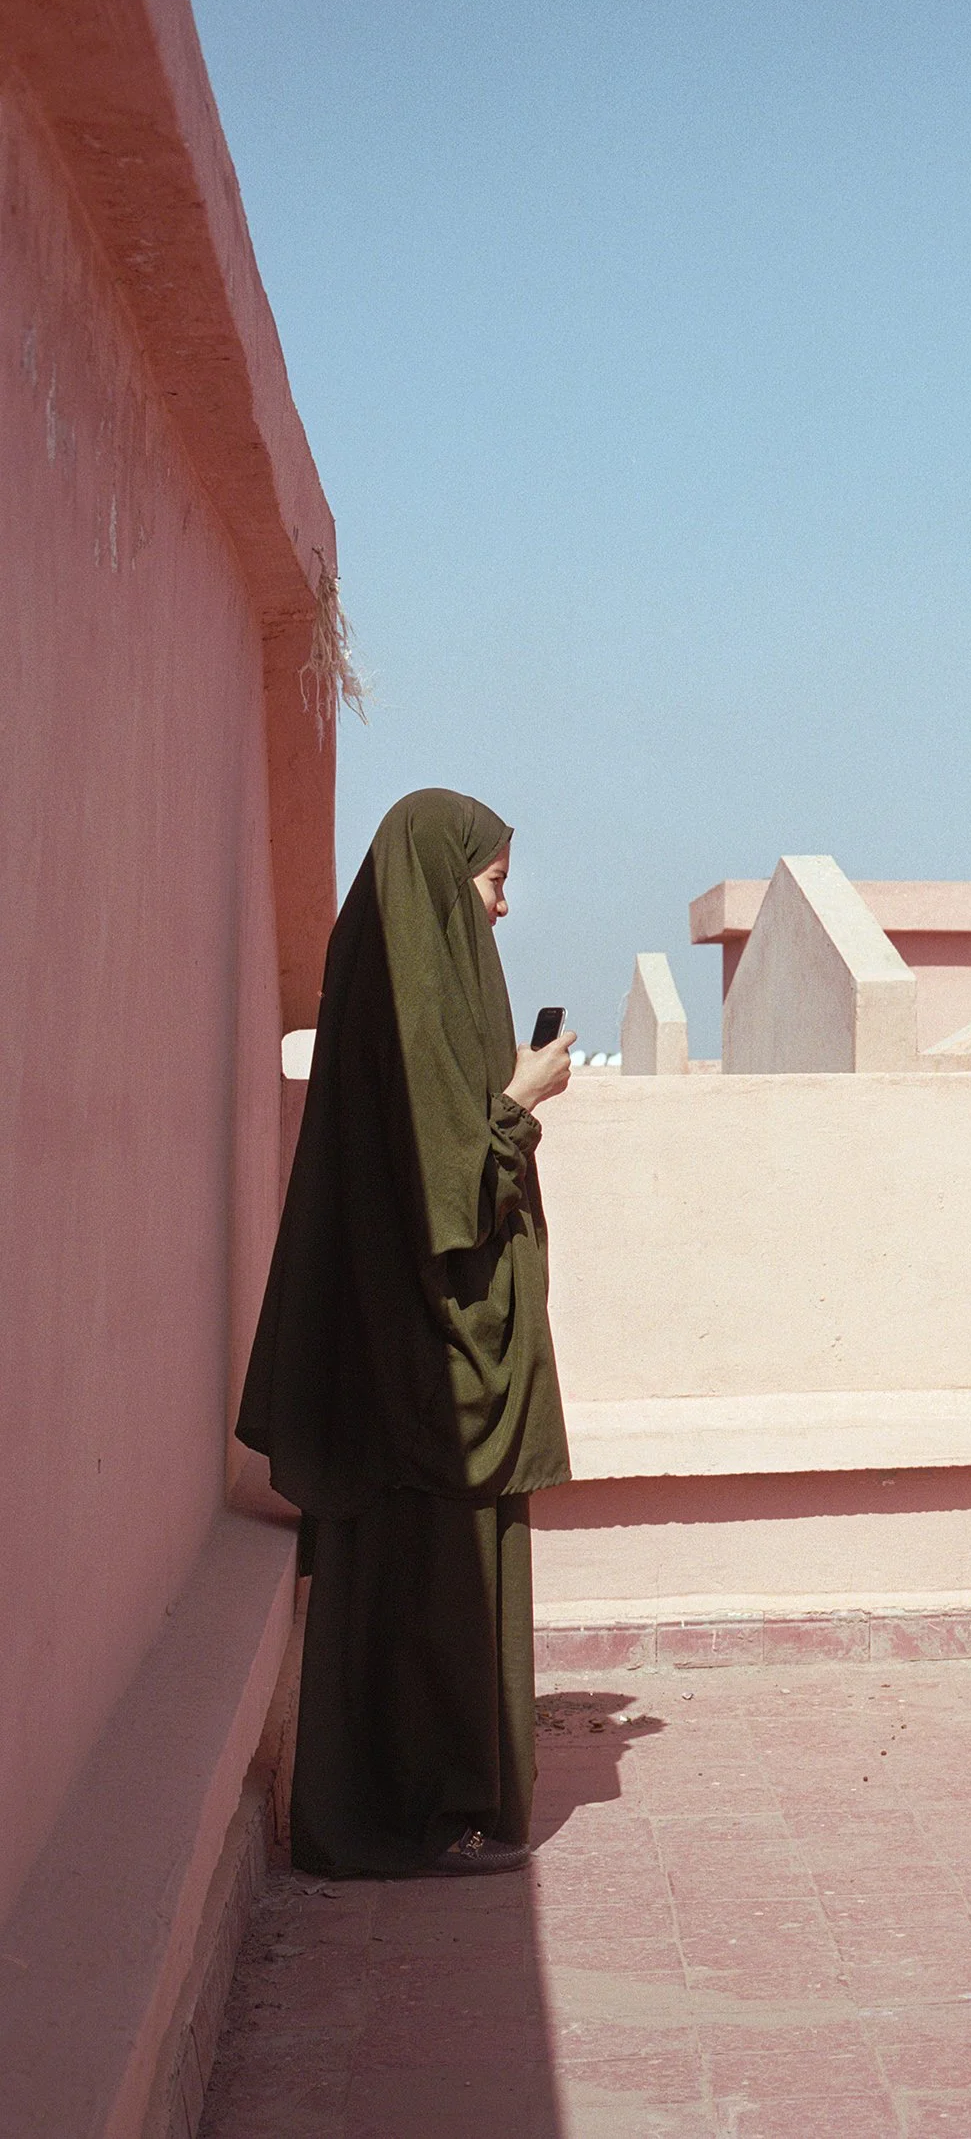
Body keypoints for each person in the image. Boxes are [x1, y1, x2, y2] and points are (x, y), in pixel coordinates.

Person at [238, 789, 575, 1876]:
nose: (503, 908)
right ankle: (424, 1814)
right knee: (436, 1590)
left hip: (404, 1358)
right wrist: (520, 1100)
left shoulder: (400, 1000)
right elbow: (446, 1192)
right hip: (426, 1366)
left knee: (410, 1585)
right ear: (441, 882)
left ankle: (418, 1808)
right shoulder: (413, 1010)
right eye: (494, 883)